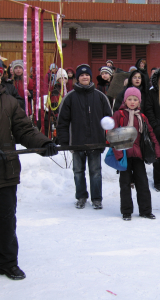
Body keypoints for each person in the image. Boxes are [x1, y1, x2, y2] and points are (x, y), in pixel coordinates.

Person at [0, 53, 58, 280]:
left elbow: (24, 130)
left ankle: (7, 263)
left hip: (4, 174)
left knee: (5, 223)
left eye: (0, 75)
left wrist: (43, 144)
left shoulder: (8, 101)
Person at [57, 64, 112, 210]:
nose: (84, 77)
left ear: (90, 77)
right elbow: (62, 121)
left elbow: (110, 120)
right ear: (77, 78)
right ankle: (81, 197)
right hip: (76, 141)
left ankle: (96, 199)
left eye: (87, 75)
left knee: (95, 172)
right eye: (81, 75)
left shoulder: (100, 96)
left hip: (95, 141)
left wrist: (109, 138)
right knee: (78, 172)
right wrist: (64, 141)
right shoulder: (70, 97)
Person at [112, 87, 160, 221]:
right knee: (125, 184)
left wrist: (157, 151)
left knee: (142, 183)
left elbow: (150, 134)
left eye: (135, 99)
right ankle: (126, 211)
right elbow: (113, 135)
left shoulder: (142, 117)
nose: (132, 102)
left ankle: (145, 210)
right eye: (130, 99)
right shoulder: (119, 115)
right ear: (125, 100)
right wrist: (118, 155)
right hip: (124, 156)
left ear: (139, 102)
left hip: (138, 155)